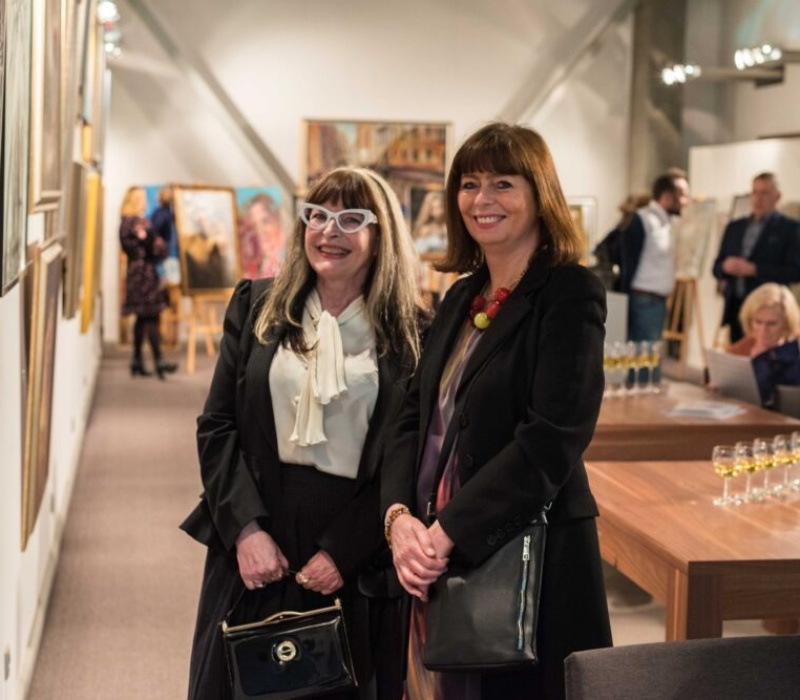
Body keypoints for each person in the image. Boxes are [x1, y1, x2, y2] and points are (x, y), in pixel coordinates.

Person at [382, 122, 611, 700]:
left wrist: (447, 532)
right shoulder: (461, 295)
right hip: (429, 549)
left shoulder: (569, 292)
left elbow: (552, 439)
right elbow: (412, 417)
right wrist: (399, 519)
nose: (482, 199)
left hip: (522, 549)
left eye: (503, 183)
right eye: (470, 184)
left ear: (540, 194)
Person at [180, 167, 426, 700]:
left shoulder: (413, 333)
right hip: (256, 534)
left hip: (354, 548)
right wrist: (246, 531)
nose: (329, 231)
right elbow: (217, 425)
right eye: (317, 215)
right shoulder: (257, 305)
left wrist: (345, 551)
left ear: (381, 233)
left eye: (350, 219)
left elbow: (406, 457)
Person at [712, 173, 800, 343]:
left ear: (777, 196)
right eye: (755, 192)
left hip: (770, 313)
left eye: (764, 193)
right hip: (737, 308)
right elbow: (716, 268)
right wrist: (725, 267)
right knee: (739, 353)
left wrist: (755, 270)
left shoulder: (790, 229)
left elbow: (795, 272)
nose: (758, 198)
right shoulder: (735, 227)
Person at [618, 169, 691, 342]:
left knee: (650, 353)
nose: (686, 202)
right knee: (644, 354)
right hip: (644, 300)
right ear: (666, 196)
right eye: (682, 196)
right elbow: (627, 261)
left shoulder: (669, 223)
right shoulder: (643, 220)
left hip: (657, 301)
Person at [119, 186, 178, 379]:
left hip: (136, 273)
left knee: (143, 317)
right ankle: (159, 360)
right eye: (142, 198)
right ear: (136, 200)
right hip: (145, 275)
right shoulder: (137, 224)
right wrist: (156, 242)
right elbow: (159, 248)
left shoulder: (125, 223)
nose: (146, 201)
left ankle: (137, 360)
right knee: (151, 316)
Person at [727, 283, 800, 407]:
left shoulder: (794, 353)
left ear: (786, 324)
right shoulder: (742, 347)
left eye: (772, 324)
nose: (763, 330)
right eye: (758, 321)